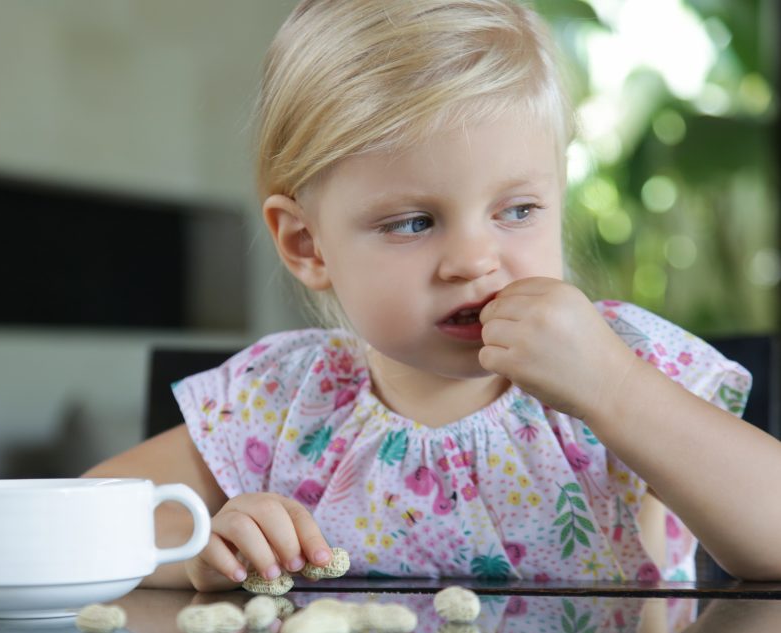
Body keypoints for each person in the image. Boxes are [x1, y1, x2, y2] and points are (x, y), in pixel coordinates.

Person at [86, 0, 781, 591]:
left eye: (516, 210)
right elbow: (83, 519)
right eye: (414, 222)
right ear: (307, 244)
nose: (474, 260)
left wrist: (618, 392)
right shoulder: (277, 401)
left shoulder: (623, 362)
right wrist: (204, 544)